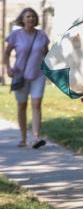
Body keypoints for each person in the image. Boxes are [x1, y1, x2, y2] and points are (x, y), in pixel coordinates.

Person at [3, 8, 50, 148]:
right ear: (22, 20)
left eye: (33, 17)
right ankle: (23, 138)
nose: (31, 19)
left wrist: (51, 70)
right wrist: (8, 68)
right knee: (22, 105)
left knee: (36, 104)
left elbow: (47, 55)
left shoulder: (42, 35)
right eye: (28, 16)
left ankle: (36, 138)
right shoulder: (15, 35)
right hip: (20, 75)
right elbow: (6, 53)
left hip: (38, 75)